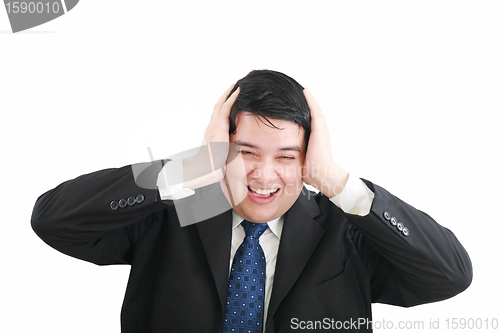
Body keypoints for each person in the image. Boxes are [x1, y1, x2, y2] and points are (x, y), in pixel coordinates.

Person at [31, 70, 472, 333]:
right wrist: (188, 169)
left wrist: (338, 182)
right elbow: (53, 220)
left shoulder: (346, 231)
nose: (264, 176)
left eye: (286, 157)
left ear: (308, 160)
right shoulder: (173, 215)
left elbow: (449, 276)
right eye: (245, 153)